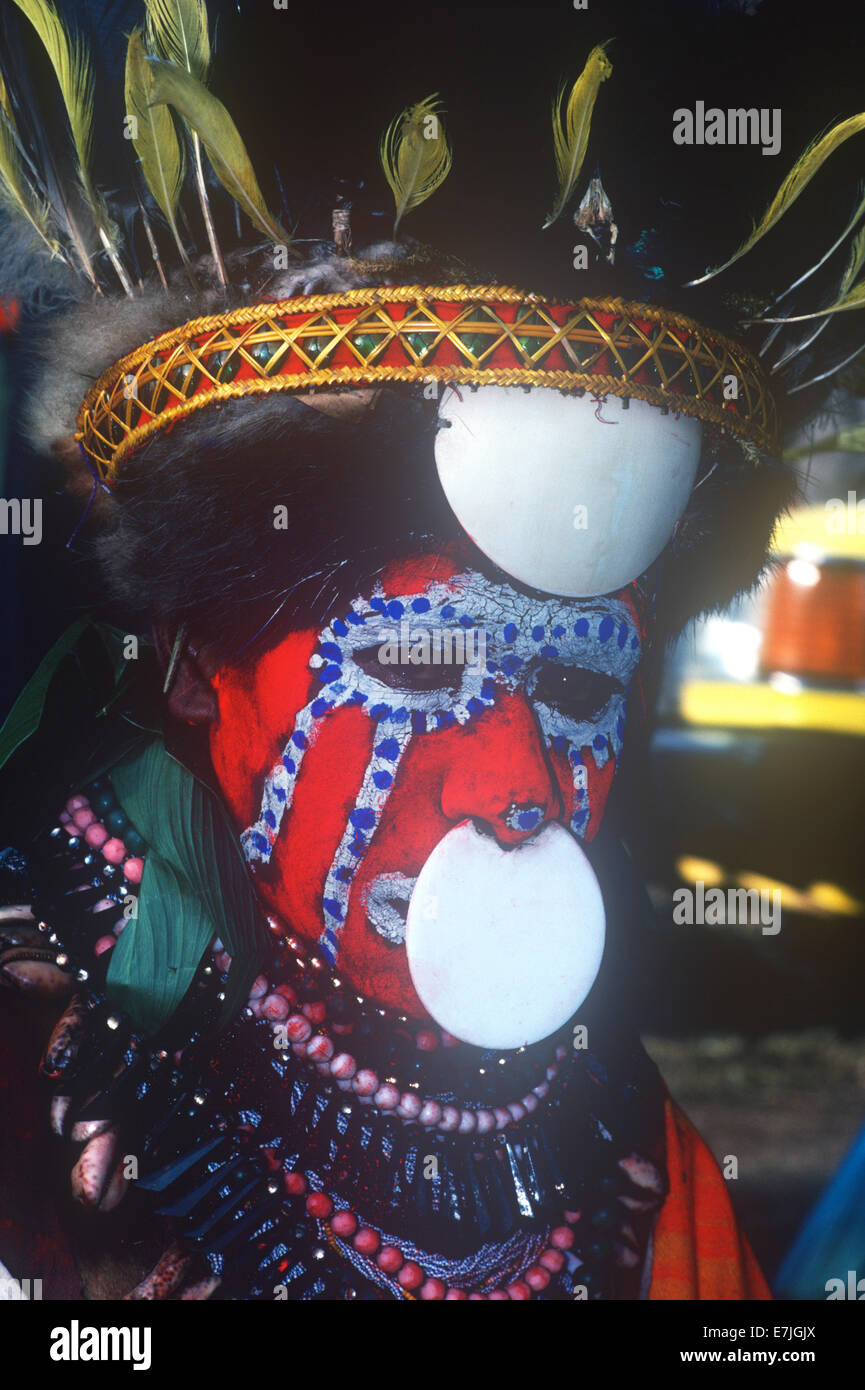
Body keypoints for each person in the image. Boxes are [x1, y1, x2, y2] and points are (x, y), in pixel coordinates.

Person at [1, 0, 860, 1301]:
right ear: (190, 666)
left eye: (574, 687)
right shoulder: (32, 1118)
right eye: (413, 668)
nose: (516, 782)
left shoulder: (624, 1138)